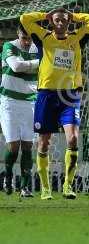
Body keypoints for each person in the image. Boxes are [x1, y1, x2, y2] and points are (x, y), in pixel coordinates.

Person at [20, 8, 89, 200]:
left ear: (68, 22)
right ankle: (46, 189)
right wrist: (45, 15)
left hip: (69, 95)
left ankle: (68, 186)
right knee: (44, 142)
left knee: (72, 139)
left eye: (64, 20)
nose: (60, 23)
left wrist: (74, 16)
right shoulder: (43, 37)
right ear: (51, 21)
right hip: (46, 94)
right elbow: (24, 18)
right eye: (56, 20)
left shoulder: (77, 38)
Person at [0, 24, 38, 197]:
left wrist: (28, 64)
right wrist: (38, 63)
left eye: (30, 38)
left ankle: (24, 187)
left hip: (30, 101)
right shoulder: (9, 46)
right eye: (24, 38)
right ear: (18, 34)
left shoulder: (38, 48)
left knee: (28, 145)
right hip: (9, 100)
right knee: (14, 146)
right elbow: (16, 66)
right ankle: (7, 176)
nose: (27, 41)